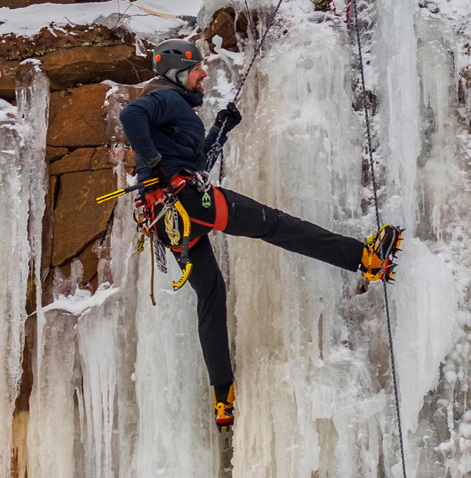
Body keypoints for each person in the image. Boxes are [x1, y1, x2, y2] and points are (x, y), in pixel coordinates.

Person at [119, 39, 402, 432]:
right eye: (198, 68)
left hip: (168, 223)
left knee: (211, 295)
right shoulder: (164, 99)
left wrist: (220, 128)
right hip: (188, 202)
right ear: (178, 73)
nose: (204, 74)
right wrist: (150, 168)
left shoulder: (174, 111)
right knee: (275, 225)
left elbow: (197, 162)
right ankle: (367, 259)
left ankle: (223, 395)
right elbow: (130, 115)